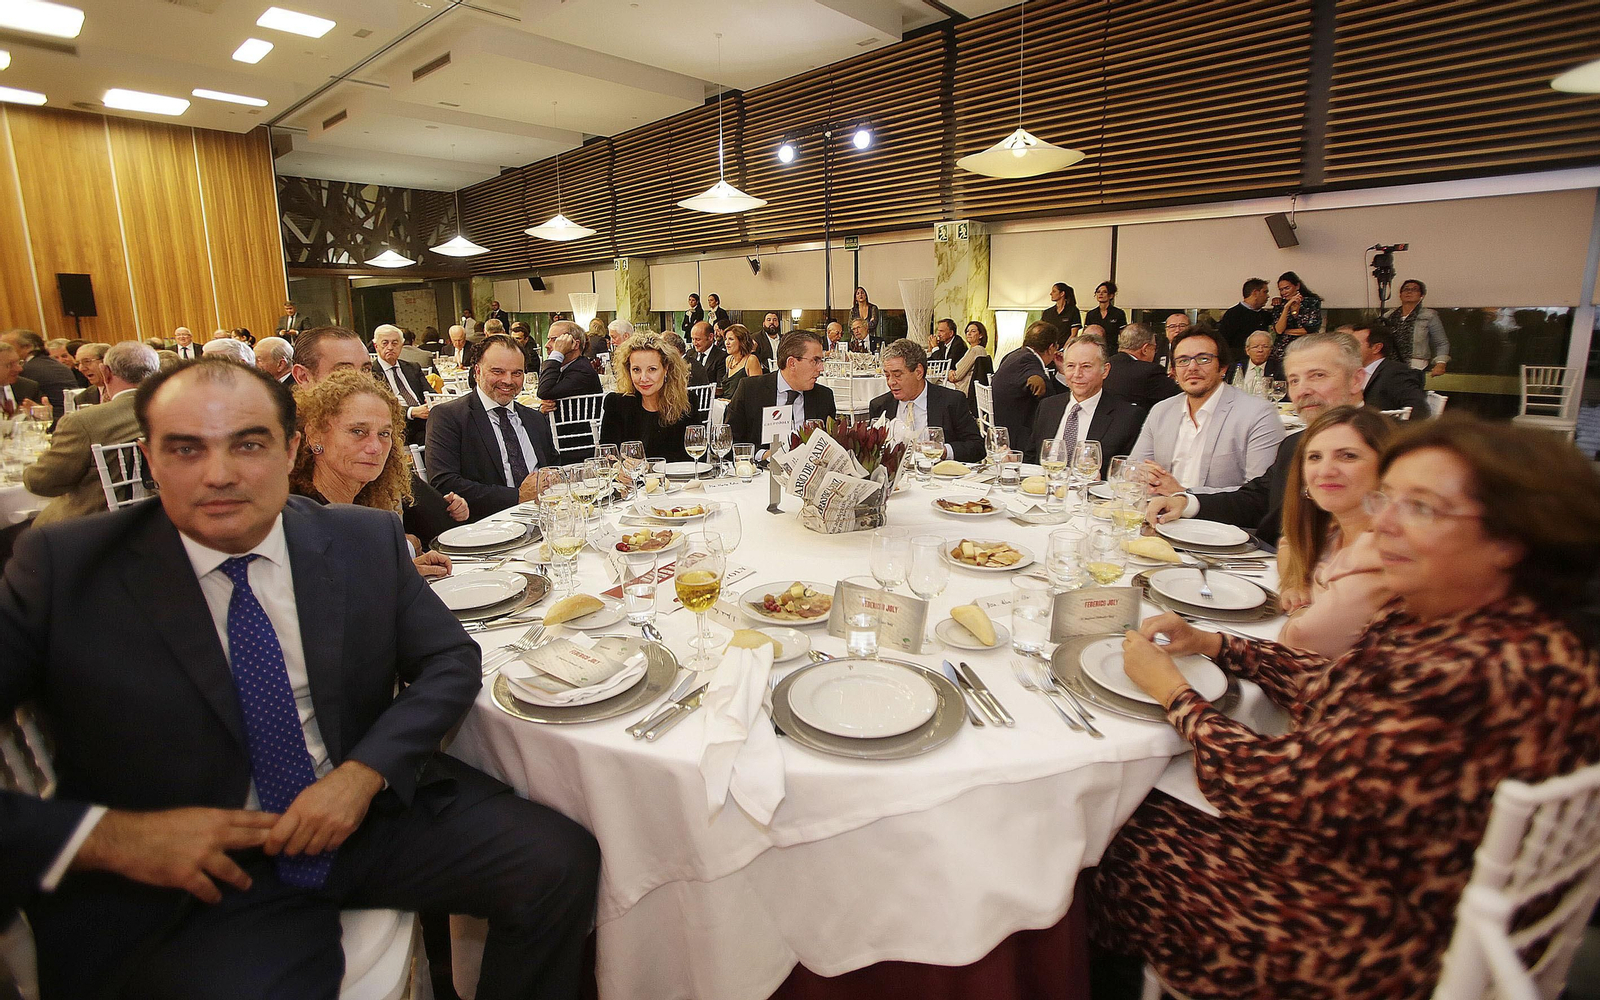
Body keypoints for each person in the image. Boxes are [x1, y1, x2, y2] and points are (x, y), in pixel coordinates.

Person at [0, 357, 601, 999]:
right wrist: (111, 837)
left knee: (559, 863)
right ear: (151, 458)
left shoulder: (359, 537)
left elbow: (451, 661)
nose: (220, 474)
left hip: (358, 814)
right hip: (203, 863)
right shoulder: (69, 570)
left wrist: (360, 776)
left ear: (290, 450)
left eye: (249, 444)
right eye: (186, 449)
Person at [1091, 414, 1600, 1000]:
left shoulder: (1477, 673)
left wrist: (1174, 695)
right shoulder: (1498, 627)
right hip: (1404, 877)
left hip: (1357, 936)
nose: (1381, 524)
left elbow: (1269, 790)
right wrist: (1219, 645)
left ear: (1513, 539)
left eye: (1423, 508)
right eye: (1389, 498)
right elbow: (1342, 688)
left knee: (1110, 828)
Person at [1147, 331, 1366, 543]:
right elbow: (1258, 499)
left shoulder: (1388, 445)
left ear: (1357, 380)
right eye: (1294, 380)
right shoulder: (1294, 444)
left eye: (1317, 375)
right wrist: (1186, 503)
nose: (1303, 390)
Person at [292, 326, 469, 541]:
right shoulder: (285, 463)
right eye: (343, 372)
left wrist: (449, 507)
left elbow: (440, 518)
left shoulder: (377, 449)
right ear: (302, 377)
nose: (359, 381)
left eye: (366, 370)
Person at [291, 370, 454, 568]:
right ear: (315, 434)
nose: (375, 447)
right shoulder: (296, 523)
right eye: (358, 431)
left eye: (384, 433)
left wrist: (403, 572)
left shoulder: (369, 510)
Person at [1273, 405, 1396, 658]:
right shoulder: (1333, 529)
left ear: (1387, 466)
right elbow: (1289, 546)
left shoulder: (1383, 549)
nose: (1325, 471)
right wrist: (1294, 582)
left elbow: (1300, 642)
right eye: (1315, 457)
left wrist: (1300, 611)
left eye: (1348, 456)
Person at [1129, 326, 1284, 495]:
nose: (1192, 367)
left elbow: (1261, 494)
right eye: (1183, 360)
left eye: (1203, 359)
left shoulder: (1258, 414)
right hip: (1159, 514)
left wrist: (1183, 495)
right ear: (1173, 371)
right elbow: (1134, 469)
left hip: (1221, 520)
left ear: (1223, 368)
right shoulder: (1161, 411)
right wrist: (1146, 477)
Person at [22, 341, 158, 525]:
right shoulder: (176, 412)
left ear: (106, 372)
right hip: (160, 514)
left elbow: (42, 482)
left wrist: (25, 470)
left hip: (95, 524)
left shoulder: (83, 422)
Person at [425, 335, 559, 521]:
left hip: (547, 519)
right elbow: (444, 483)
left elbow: (553, 466)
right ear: (477, 372)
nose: (508, 380)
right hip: (488, 525)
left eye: (517, 373)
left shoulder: (534, 418)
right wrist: (517, 496)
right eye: (498, 371)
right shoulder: (449, 417)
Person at [1027, 335, 1141, 475]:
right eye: (1070, 366)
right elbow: (1031, 459)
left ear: (1105, 371)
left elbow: (1127, 475)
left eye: (1086, 366)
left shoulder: (1127, 417)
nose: (1077, 374)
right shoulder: (1048, 407)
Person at [869, 339, 984, 461]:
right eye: (887, 375)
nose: (891, 382)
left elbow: (977, 447)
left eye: (897, 375)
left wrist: (943, 451)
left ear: (918, 372)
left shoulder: (951, 401)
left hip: (938, 476)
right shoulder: (880, 406)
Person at [599, 331, 703, 463]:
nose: (643, 378)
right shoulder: (616, 404)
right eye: (636, 370)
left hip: (676, 482)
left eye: (652, 369)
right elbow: (606, 455)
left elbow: (696, 457)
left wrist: (649, 467)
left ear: (666, 369)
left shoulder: (687, 402)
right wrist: (617, 468)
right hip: (631, 483)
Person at [727, 331, 837, 447]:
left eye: (821, 361)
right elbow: (731, 441)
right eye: (815, 361)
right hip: (761, 464)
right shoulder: (750, 390)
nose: (821, 368)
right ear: (792, 363)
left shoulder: (823, 397)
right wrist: (762, 454)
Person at [990, 321, 1066, 448]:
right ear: (1051, 347)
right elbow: (1053, 403)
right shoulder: (1029, 364)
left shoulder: (1014, 355)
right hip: (1019, 436)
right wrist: (1064, 373)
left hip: (1003, 423)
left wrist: (1059, 372)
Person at [1350, 321, 1428, 419]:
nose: (1349, 349)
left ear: (1376, 348)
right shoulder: (1355, 371)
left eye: (1355, 344)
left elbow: (1418, 410)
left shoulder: (1396, 373)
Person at [371, 324, 432, 445]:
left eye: (394, 343)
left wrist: (432, 402)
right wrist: (412, 411)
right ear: (376, 346)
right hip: (397, 425)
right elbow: (378, 408)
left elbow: (430, 393)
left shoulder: (413, 367)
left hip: (425, 419)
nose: (390, 347)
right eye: (385, 343)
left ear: (401, 346)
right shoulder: (370, 374)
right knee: (430, 436)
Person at [1101, 322, 1179, 415]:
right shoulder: (1149, 372)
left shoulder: (1104, 366)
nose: (1155, 353)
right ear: (1145, 349)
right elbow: (1180, 397)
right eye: (1154, 348)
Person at [3, 330, 78, 418]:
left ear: (27, 347)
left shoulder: (26, 371)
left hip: (56, 419)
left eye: (9, 347)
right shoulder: (53, 363)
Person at [1382, 279, 1451, 375]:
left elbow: (1441, 343)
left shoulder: (1429, 315)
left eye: (1414, 289)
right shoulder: (1388, 316)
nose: (1409, 292)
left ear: (1421, 296)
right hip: (1390, 366)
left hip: (1417, 366)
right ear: (1400, 295)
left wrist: (1441, 363)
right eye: (1406, 289)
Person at [538, 320, 603, 414]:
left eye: (555, 340)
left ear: (575, 344)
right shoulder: (566, 367)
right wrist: (542, 409)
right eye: (548, 339)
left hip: (577, 428)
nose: (546, 345)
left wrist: (557, 354)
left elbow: (544, 392)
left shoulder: (582, 371)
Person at [1270, 270, 1322, 364]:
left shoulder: (1311, 303)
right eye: (1281, 290)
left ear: (1297, 286)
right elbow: (1279, 330)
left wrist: (1286, 331)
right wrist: (1286, 307)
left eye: (1287, 288)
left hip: (1305, 350)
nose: (1284, 292)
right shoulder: (1279, 305)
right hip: (1282, 353)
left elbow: (1309, 330)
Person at [1217, 277, 1274, 361]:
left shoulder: (1264, 315)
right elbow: (1223, 342)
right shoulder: (1233, 314)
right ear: (1255, 293)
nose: (1268, 296)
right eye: (1265, 292)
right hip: (1239, 363)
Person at [718, 324, 765, 400]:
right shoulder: (728, 360)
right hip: (724, 404)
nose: (727, 343)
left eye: (731, 339)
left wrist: (732, 403)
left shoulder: (751, 360)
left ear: (741, 341)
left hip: (742, 408)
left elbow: (757, 392)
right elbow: (728, 389)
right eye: (726, 339)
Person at [1228, 330, 1282, 394]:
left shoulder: (1279, 369)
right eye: (1256, 347)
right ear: (1247, 350)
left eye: (1265, 347)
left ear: (1270, 350)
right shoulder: (1234, 368)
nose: (1260, 350)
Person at [0, 341, 44, 417]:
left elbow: (46, 422)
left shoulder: (28, 387)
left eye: (19, 362)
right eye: (9, 365)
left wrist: (44, 415)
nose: (19, 369)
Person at [948, 320, 992, 397]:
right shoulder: (980, 350)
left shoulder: (975, 350)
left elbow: (957, 376)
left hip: (963, 389)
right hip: (966, 387)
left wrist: (949, 373)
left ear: (981, 335)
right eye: (967, 331)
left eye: (973, 331)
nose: (969, 333)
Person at [1084, 281, 1127, 351]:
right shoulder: (1091, 314)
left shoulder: (1118, 313)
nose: (1100, 294)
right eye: (1098, 292)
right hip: (1094, 349)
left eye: (1104, 292)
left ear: (1111, 295)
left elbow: (1123, 335)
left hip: (1112, 350)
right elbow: (1086, 335)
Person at [686, 320, 727, 385]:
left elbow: (720, 385)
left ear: (710, 337)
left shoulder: (721, 357)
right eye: (692, 339)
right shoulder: (690, 354)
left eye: (698, 339)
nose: (694, 343)